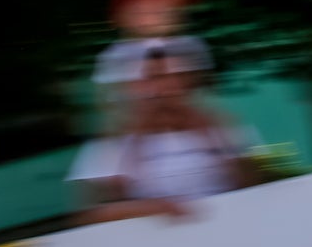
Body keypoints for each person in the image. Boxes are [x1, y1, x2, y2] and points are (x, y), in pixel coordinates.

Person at [68, 41, 258, 224]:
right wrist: (153, 208)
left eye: (176, 76)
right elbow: (91, 215)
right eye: (154, 77)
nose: (167, 87)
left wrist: (213, 137)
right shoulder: (110, 143)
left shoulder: (220, 127)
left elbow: (255, 188)